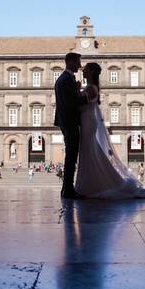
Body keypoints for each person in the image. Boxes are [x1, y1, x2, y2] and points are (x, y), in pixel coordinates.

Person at [74, 62, 145, 199]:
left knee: (89, 151)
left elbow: (81, 102)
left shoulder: (91, 88)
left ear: (92, 72)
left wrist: (76, 91)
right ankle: (91, 184)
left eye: (86, 69)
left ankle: (91, 185)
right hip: (86, 121)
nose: (83, 71)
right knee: (90, 152)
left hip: (88, 122)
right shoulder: (90, 87)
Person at [55, 52, 88, 199]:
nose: (80, 66)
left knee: (71, 155)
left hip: (67, 121)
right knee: (71, 156)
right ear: (70, 62)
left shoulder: (64, 79)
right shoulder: (66, 80)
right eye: (78, 62)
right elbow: (71, 103)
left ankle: (66, 188)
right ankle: (68, 190)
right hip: (70, 122)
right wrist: (86, 98)